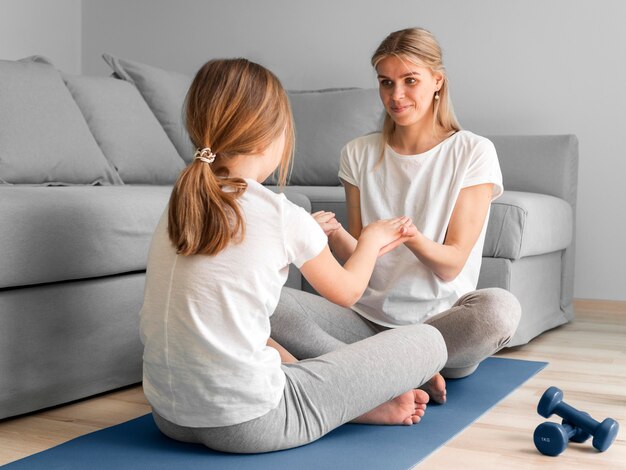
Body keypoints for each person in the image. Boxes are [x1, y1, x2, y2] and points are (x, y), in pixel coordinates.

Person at [139, 58, 448, 454]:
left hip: (169, 416)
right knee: (427, 341)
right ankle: (352, 401)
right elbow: (349, 291)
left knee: (237, 322)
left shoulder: (181, 204)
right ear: (271, 137)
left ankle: (351, 399)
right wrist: (370, 239)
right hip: (251, 423)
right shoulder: (281, 214)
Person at [270, 28, 521, 404]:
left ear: (437, 81)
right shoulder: (357, 153)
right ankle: (396, 373)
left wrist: (410, 235)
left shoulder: (473, 151)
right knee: (266, 299)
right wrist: (332, 234)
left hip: (438, 330)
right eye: (386, 83)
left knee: (498, 312)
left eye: (410, 81)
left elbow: (452, 265)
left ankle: (374, 371)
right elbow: (361, 259)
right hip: (365, 325)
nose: (396, 95)